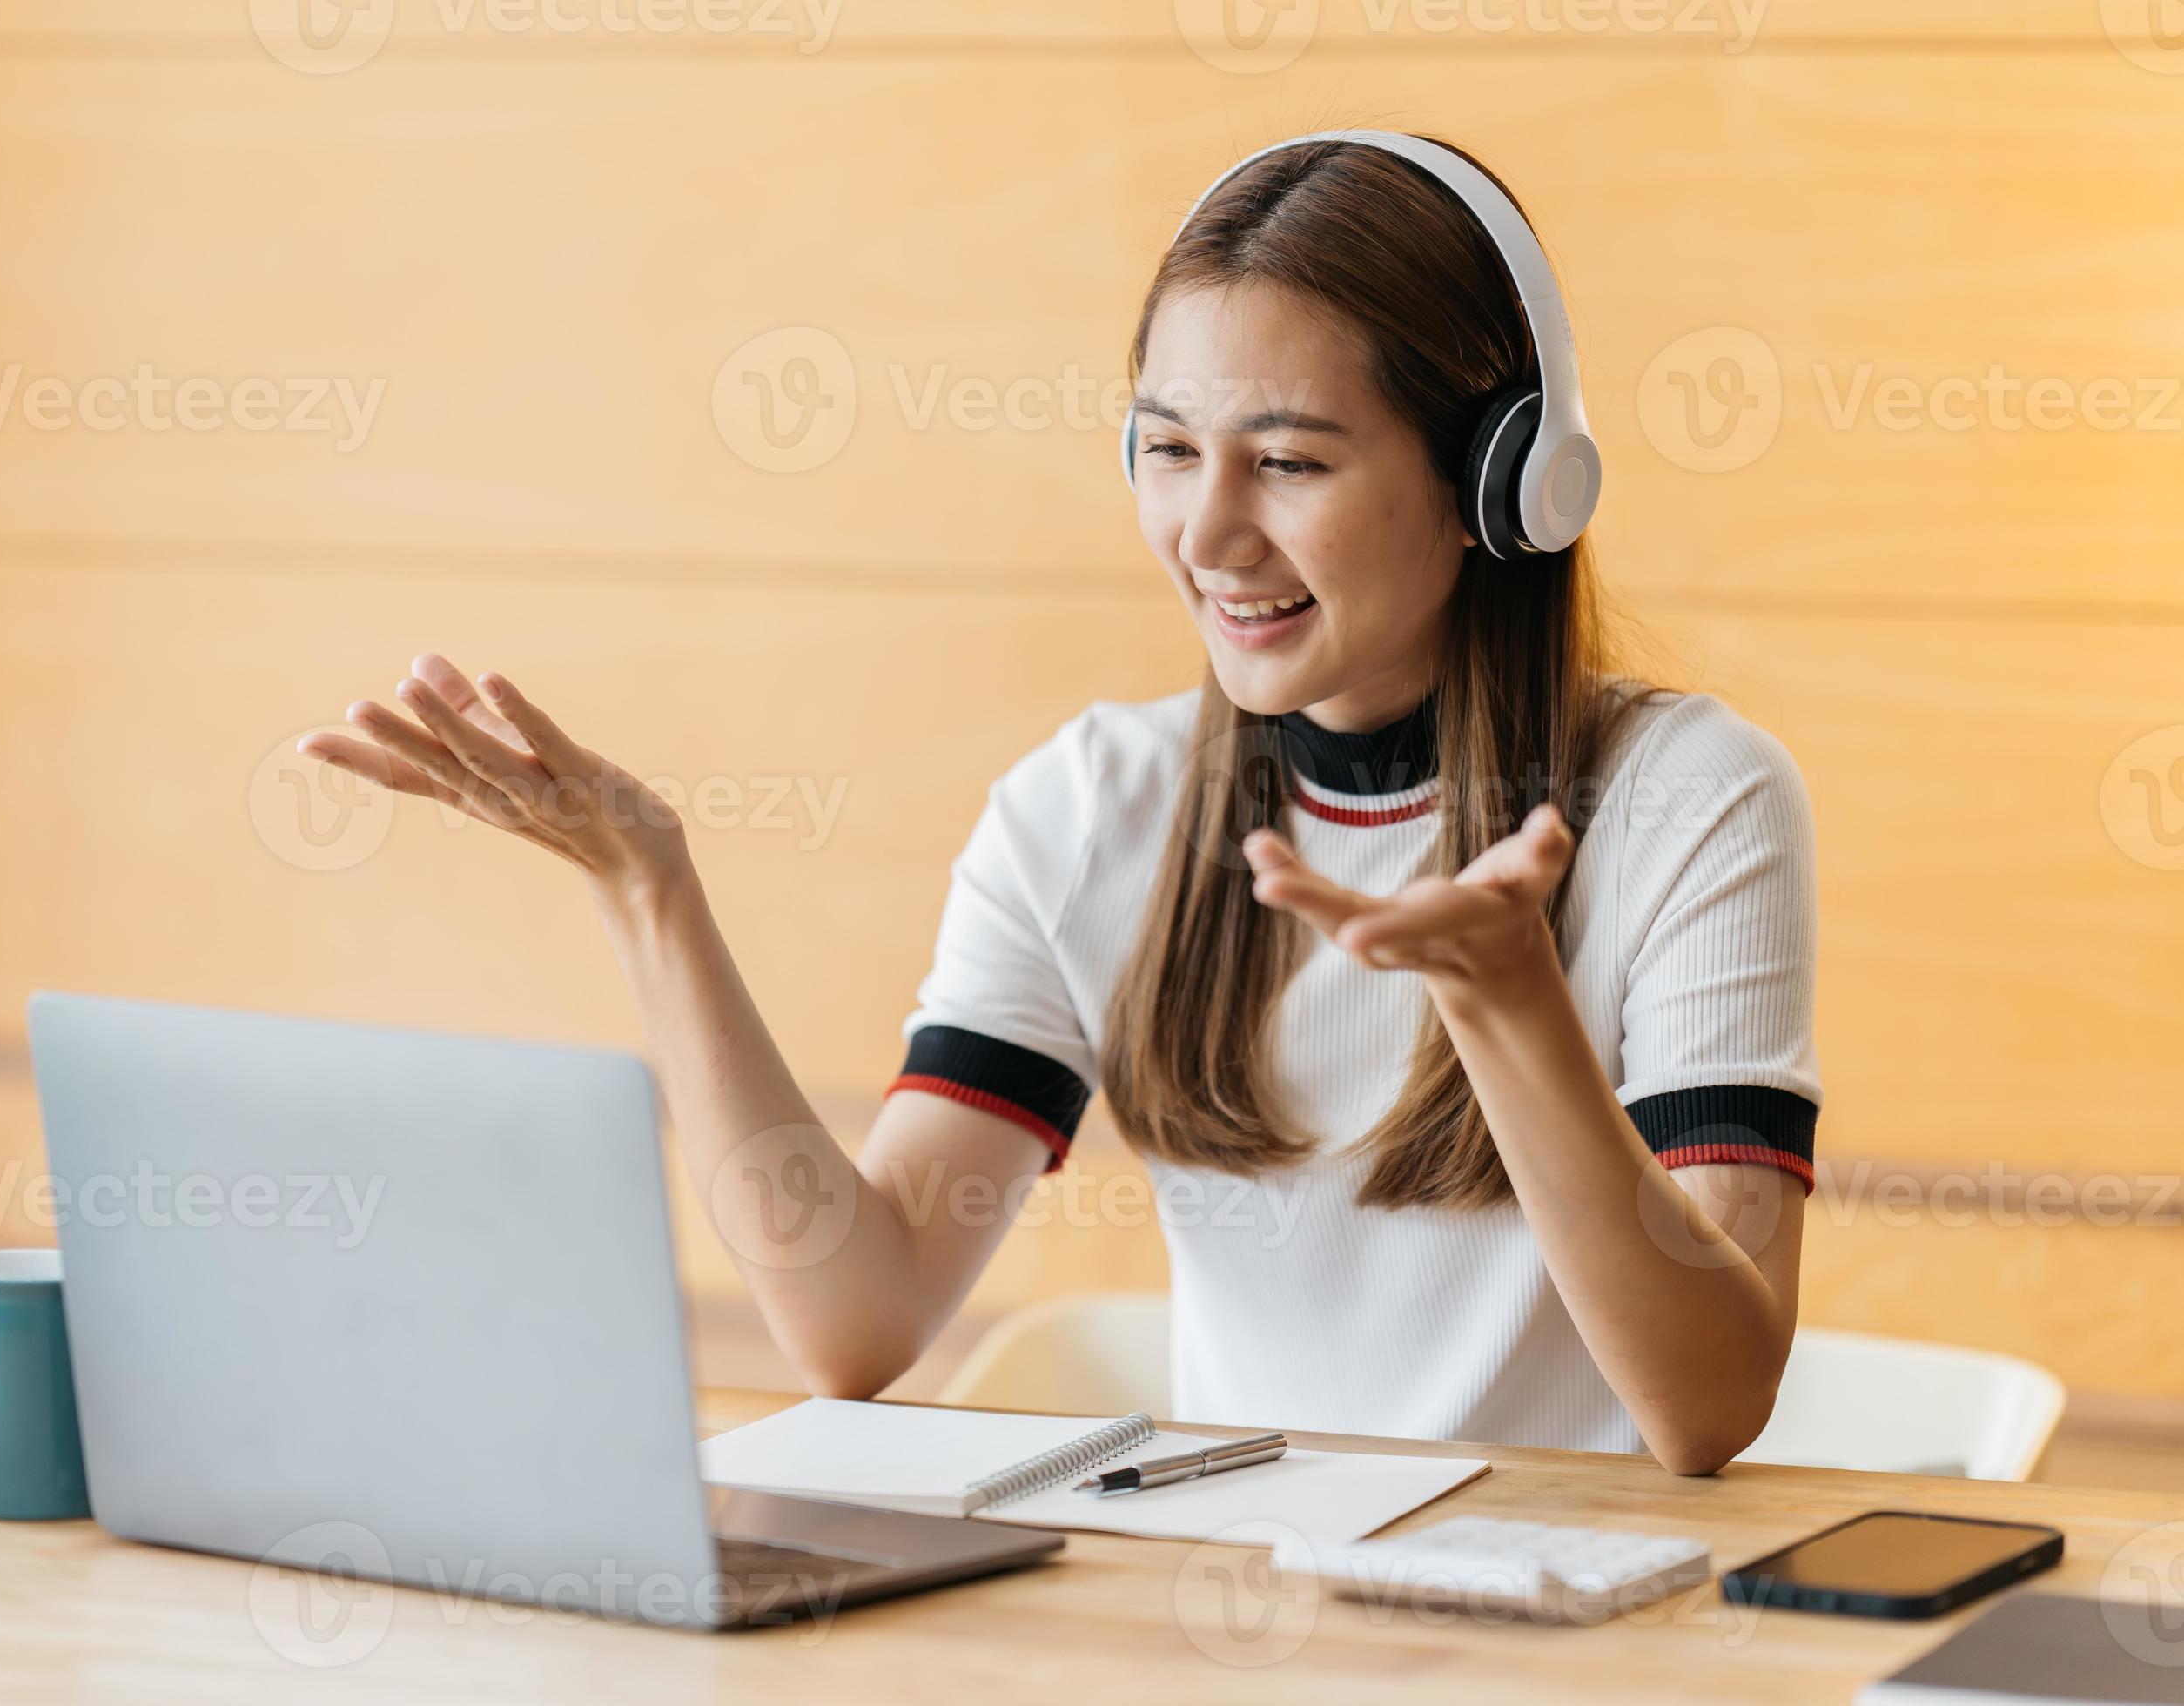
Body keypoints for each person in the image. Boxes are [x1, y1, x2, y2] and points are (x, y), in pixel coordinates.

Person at [298, 134, 1820, 1474]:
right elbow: (857, 1316)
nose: (1207, 531)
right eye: (1167, 450)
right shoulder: (1094, 803)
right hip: (1245, 1631)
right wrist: (649, 891)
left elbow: (1710, 1405)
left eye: (1288, 460)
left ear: (1506, 484)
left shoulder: (1690, 805)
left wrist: (1513, 1013)